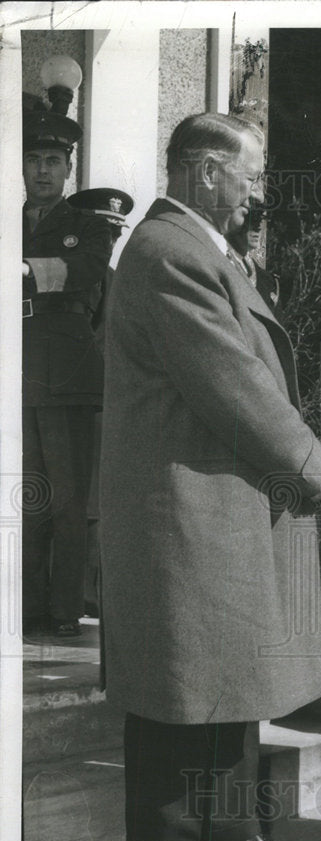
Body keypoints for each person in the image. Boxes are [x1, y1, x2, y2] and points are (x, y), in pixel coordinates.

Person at [99, 112, 321, 841]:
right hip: (185, 504)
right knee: (176, 678)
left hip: (219, 498)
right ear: (207, 172)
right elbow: (232, 383)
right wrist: (315, 463)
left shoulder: (203, 250)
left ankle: (231, 829)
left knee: (228, 667)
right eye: (251, 174)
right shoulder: (169, 252)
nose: (256, 191)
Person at [21, 109, 113, 639]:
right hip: (15, 365)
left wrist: (26, 269)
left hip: (65, 369)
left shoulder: (88, 226)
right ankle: (29, 605)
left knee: (68, 496)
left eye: (53, 161)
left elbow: (86, 271)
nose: (42, 170)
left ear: (69, 168)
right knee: (25, 493)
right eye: (33, 159)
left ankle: (64, 608)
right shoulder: (8, 219)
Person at [65, 187, 134, 617]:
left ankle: (86, 593)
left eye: (115, 233)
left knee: (94, 503)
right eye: (101, 231)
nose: (109, 241)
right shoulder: (62, 275)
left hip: (101, 407)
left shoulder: (116, 280)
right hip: (61, 403)